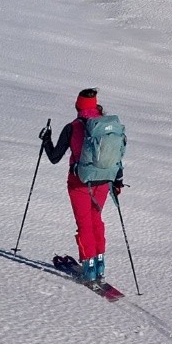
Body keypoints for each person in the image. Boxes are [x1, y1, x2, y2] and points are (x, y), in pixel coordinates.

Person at [41, 88, 126, 283]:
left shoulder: (73, 127)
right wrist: (118, 182)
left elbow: (54, 157)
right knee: (96, 220)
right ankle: (99, 265)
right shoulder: (108, 127)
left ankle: (88, 269)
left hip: (79, 182)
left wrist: (46, 140)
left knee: (84, 224)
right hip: (104, 181)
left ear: (78, 105)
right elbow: (117, 157)